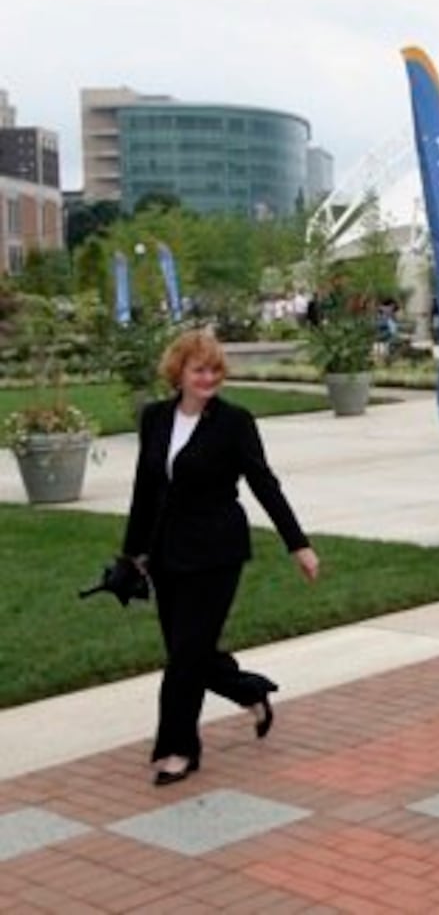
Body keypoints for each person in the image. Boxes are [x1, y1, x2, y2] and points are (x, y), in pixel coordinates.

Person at [122, 329, 319, 786]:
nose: (209, 377)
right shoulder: (154, 418)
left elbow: (263, 484)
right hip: (167, 555)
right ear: (179, 373)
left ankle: (177, 749)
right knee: (187, 652)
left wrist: (298, 544)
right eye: (199, 370)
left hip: (216, 554)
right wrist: (132, 554)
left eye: (215, 370)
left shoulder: (235, 422)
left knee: (184, 660)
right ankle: (249, 690)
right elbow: (145, 491)